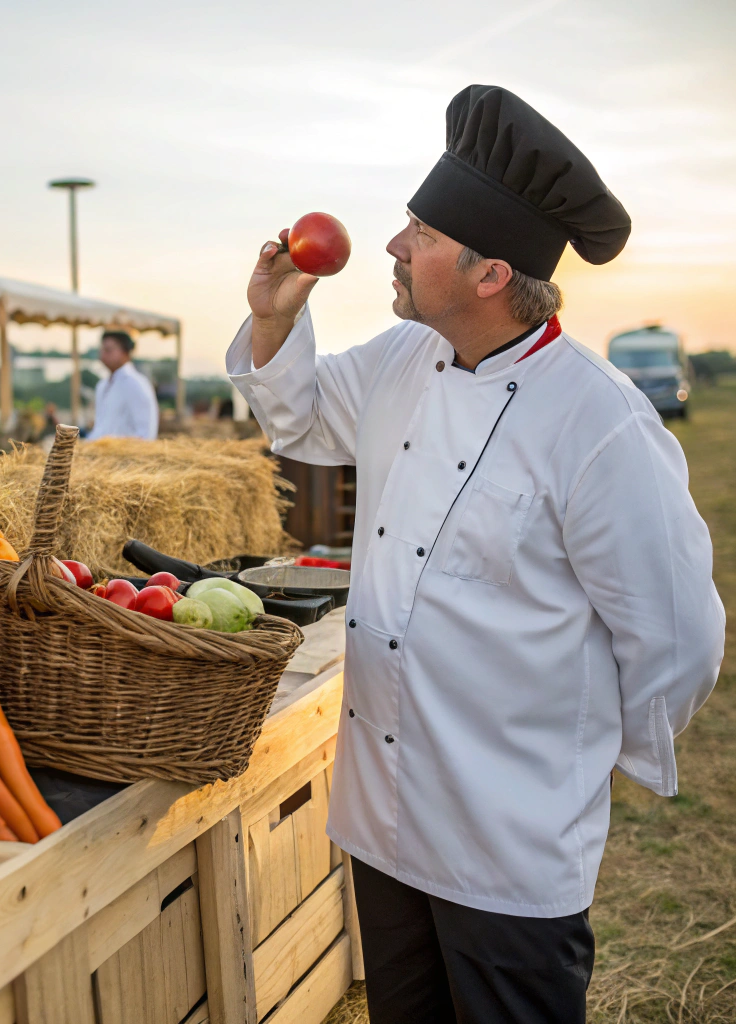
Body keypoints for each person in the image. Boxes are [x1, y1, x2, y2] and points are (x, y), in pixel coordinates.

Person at [227, 85, 725, 1024]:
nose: (392, 247)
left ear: (490, 272)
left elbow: (677, 638)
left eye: (417, 230)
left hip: (509, 845)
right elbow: (296, 413)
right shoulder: (402, 358)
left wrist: (564, 761)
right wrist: (271, 318)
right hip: (383, 820)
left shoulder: (600, 422)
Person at [87, 330, 159, 440]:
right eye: (102, 350)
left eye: (108, 350)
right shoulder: (102, 385)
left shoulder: (135, 384)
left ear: (125, 352)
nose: (103, 355)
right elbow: (100, 429)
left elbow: (147, 433)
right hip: (99, 452)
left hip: (123, 454)